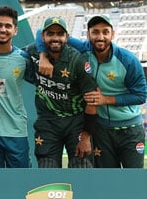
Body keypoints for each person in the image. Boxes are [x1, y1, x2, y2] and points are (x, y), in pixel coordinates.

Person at [37, 14, 147, 168]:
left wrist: (106, 99)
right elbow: (39, 32)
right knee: (105, 181)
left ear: (112, 34)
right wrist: (42, 56)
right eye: (95, 32)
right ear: (88, 34)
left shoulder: (128, 60)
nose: (100, 37)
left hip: (130, 130)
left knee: (134, 179)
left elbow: (141, 95)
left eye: (105, 32)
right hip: (101, 130)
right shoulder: (84, 50)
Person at [24, 16, 98, 168]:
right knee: (47, 167)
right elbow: (7, 52)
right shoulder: (32, 51)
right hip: (48, 121)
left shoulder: (78, 61)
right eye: (50, 34)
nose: (55, 38)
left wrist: (85, 137)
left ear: (67, 37)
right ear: (43, 37)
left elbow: (92, 101)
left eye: (60, 34)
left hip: (76, 121)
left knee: (81, 166)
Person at [0, 6, 33, 168]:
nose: (3, 29)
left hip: (16, 131)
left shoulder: (23, 58)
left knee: (21, 183)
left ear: (15, 30)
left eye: (8, 26)